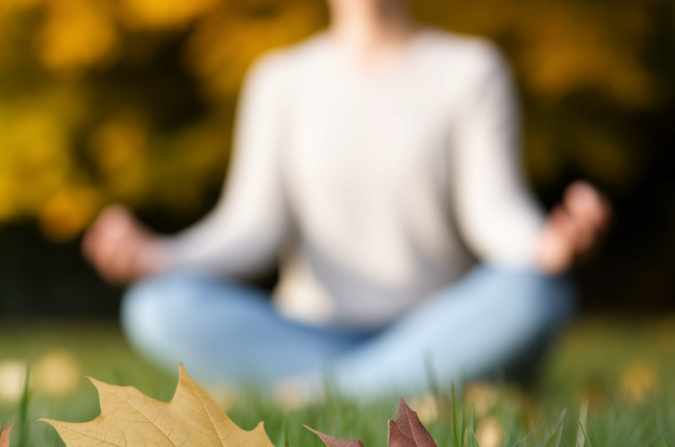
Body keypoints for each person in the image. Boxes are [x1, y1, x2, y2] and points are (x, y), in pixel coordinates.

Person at [82, 0, 611, 401]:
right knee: (156, 306)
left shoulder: (471, 70)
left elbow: (492, 212)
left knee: (536, 293)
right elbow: (250, 227)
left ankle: (316, 394)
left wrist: (546, 246)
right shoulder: (279, 79)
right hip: (304, 338)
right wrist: (161, 257)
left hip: (436, 331)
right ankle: (383, 388)